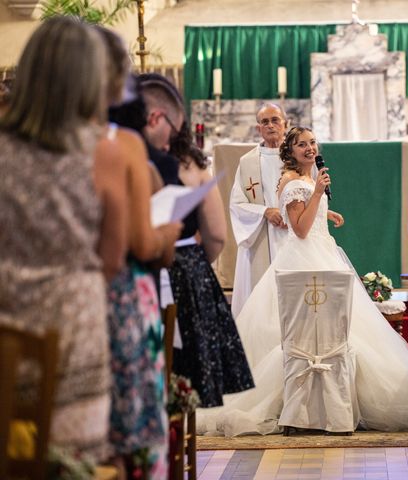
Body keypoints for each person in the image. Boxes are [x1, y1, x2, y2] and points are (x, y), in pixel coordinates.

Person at [199, 127, 408, 436]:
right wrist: (317, 193)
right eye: (302, 144)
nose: (309, 148)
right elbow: (300, 229)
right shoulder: (293, 182)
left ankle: (338, 399)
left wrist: (327, 213)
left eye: (312, 142)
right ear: (290, 152)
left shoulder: (307, 178)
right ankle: (305, 403)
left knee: (341, 329)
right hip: (305, 262)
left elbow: (306, 215)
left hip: (323, 252)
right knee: (308, 332)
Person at [0, 17, 127, 459]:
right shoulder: (105, 151)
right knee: (70, 460)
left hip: (6, 319)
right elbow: (113, 257)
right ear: (90, 78)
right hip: (74, 321)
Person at [97, 26, 184, 478]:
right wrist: (168, 230)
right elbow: (125, 252)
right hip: (113, 302)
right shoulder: (119, 147)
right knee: (125, 439)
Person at [168, 132, 254, 408]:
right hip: (185, 269)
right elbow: (216, 236)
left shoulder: (124, 152)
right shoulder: (192, 165)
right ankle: (181, 430)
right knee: (189, 363)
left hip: (136, 271)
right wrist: (193, 266)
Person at [229, 103, 289, 318]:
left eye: (275, 120)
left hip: (294, 234)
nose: (270, 125)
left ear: (286, 124)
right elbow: (236, 204)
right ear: (258, 128)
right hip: (261, 234)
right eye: (265, 121)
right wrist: (265, 211)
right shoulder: (248, 162)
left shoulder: (298, 157)